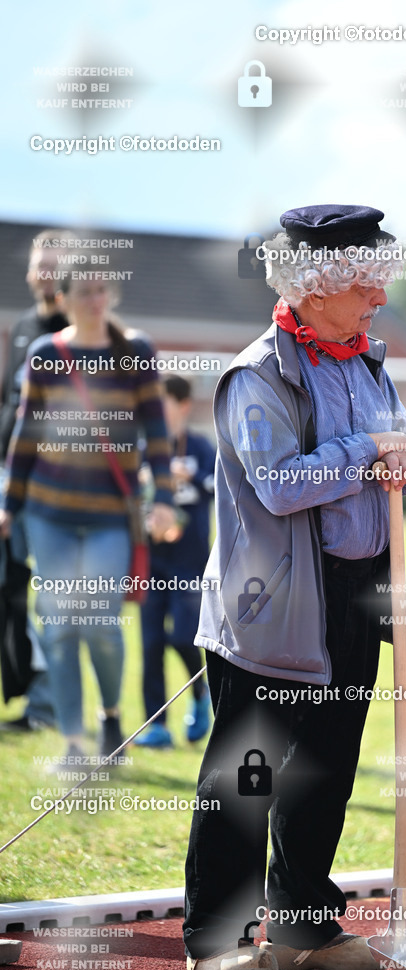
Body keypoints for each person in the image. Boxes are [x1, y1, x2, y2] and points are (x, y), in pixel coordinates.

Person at [183, 204, 406, 970]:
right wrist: (367, 451)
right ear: (312, 287)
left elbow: (384, 455)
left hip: (351, 596)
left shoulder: (365, 361)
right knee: (245, 775)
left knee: (324, 769)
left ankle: (301, 926)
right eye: (363, 283)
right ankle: (216, 936)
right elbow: (281, 487)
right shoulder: (258, 374)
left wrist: (402, 462)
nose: (377, 298)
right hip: (273, 602)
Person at [0, 263, 176, 760]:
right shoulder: (44, 356)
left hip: (109, 517)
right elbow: (25, 435)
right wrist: (8, 505)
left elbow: (158, 434)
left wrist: (162, 499)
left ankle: (111, 718)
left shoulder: (135, 353)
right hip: (47, 513)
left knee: (99, 622)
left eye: (102, 291)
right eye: (84, 292)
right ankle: (74, 742)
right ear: (64, 297)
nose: (95, 300)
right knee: (57, 626)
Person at [0, 230, 72, 731]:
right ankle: (29, 688)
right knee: (10, 589)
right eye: (37, 265)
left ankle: (48, 708)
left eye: (51, 266)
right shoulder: (24, 325)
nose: (40, 274)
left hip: (54, 486)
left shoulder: (80, 329)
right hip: (9, 478)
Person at [134, 375, 215, 748]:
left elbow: (221, 488)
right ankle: (157, 726)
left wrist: (193, 475)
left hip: (190, 558)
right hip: (151, 557)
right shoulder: (145, 447)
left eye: (162, 401)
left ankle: (200, 694)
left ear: (182, 404)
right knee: (150, 642)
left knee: (183, 635)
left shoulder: (199, 445)